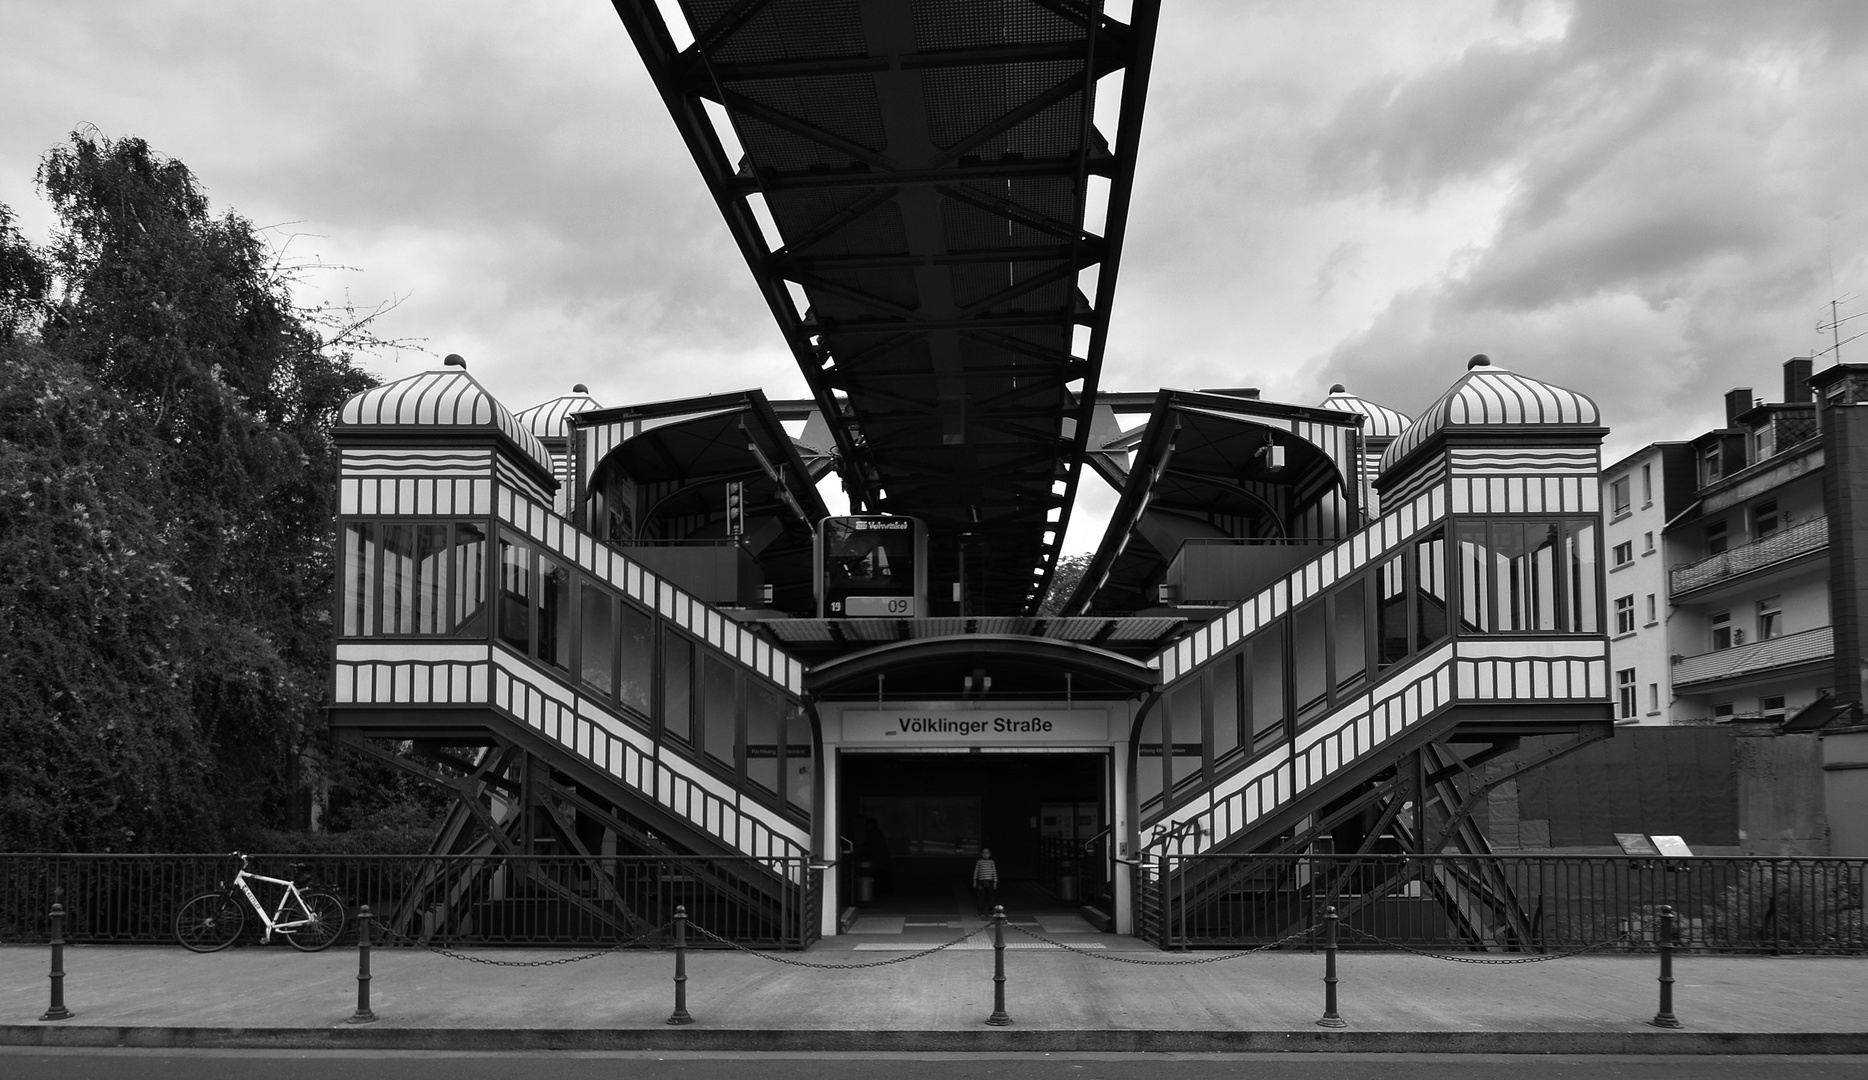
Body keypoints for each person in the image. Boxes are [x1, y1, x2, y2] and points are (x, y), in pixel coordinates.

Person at [971, 847, 999, 917]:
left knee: (991, 896)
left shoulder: (991, 862)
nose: (985, 855)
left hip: (990, 881)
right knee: (981, 896)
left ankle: (991, 911)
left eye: (987, 853)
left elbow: (994, 872)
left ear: (990, 854)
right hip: (981, 881)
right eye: (984, 853)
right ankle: (980, 911)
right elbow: (976, 871)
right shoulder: (979, 862)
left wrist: (995, 882)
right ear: (981, 854)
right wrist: (975, 881)